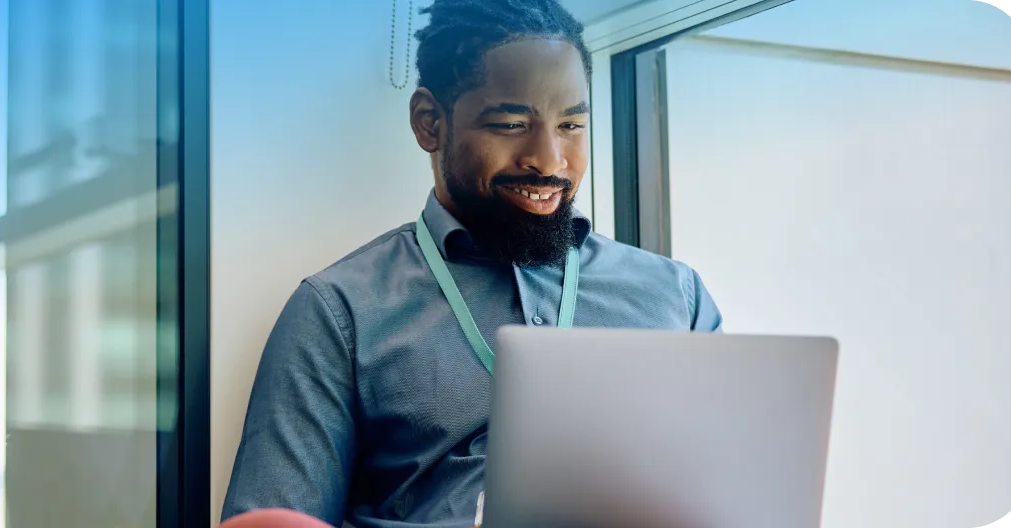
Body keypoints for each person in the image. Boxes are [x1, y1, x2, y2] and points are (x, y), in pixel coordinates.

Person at [220, 0, 724, 526]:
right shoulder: (339, 313)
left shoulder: (675, 296)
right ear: (428, 123)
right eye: (511, 124)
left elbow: (729, 495)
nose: (550, 160)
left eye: (572, 125)